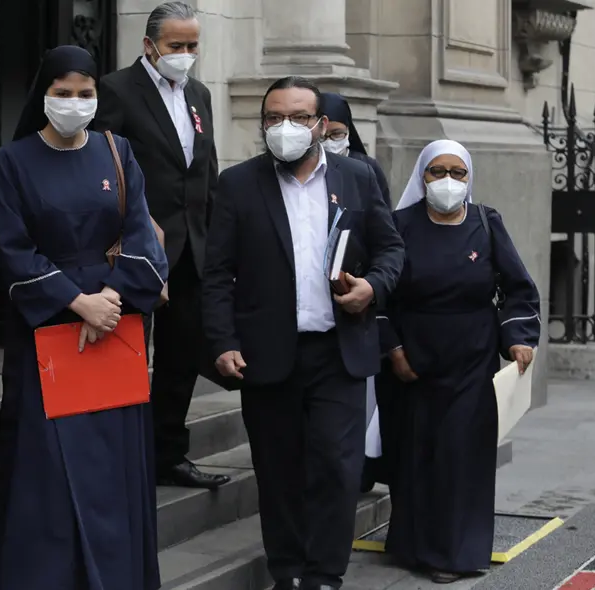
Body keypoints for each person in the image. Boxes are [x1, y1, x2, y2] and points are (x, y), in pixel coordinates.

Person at [202, 76, 405, 590]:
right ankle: (287, 570)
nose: (284, 128)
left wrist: (372, 290)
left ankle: (324, 574)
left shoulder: (356, 177)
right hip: (267, 353)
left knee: (337, 469)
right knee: (278, 470)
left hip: (339, 352)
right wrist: (223, 342)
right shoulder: (238, 183)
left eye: (296, 118)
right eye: (273, 117)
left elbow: (391, 250)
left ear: (319, 125)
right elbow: (217, 273)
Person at [0, 45, 168, 590]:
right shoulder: (13, 161)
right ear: (44, 96)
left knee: (114, 463)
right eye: (62, 93)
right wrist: (75, 301)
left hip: (114, 327)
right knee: (50, 464)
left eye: (84, 93)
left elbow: (140, 233)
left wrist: (109, 297)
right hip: (48, 332)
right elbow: (12, 250)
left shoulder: (118, 150)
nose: (74, 102)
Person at [379, 140, 540, 584]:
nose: (447, 181)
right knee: (416, 455)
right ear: (421, 177)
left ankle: (456, 554)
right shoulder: (398, 225)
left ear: (469, 178)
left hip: (472, 357)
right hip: (411, 360)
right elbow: (380, 297)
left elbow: (517, 288)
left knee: (460, 454)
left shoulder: (486, 224)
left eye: (457, 172)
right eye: (437, 172)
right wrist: (393, 350)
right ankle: (413, 544)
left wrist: (518, 339)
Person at [95, 1, 228, 490]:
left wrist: (214, 241)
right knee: (126, 353)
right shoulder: (115, 90)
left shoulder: (199, 93)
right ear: (149, 45)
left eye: (193, 45)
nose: (186, 54)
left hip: (191, 248)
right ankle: (118, 459)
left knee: (180, 356)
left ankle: (167, 453)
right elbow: (103, 166)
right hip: (136, 246)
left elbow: (205, 170)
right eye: (177, 46)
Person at [320, 92, 394, 494]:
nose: (332, 140)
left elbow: (383, 233)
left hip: (357, 290)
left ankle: (362, 466)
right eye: (325, 132)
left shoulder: (364, 170)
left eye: (340, 133)